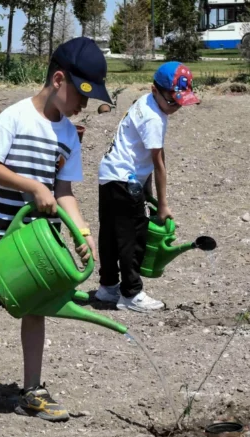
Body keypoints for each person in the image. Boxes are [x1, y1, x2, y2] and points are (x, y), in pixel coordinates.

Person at [0, 37, 110, 422]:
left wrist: (83, 232)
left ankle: (32, 390)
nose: (84, 105)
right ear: (58, 79)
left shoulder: (69, 136)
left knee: (35, 311)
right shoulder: (14, 117)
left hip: (40, 242)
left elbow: (64, 191)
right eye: (81, 95)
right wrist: (31, 186)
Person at [94, 61, 199, 312]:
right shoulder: (154, 119)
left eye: (179, 102)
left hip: (109, 175)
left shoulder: (144, 102)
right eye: (171, 101)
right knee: (133, 236)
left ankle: (107, 287)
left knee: (109, 233)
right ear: (155, 90)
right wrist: (162, 205)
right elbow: (158, 163)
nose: (175, 107)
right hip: (125, 179)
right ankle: (131, 293)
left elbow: (140, 155)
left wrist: (146, 192)